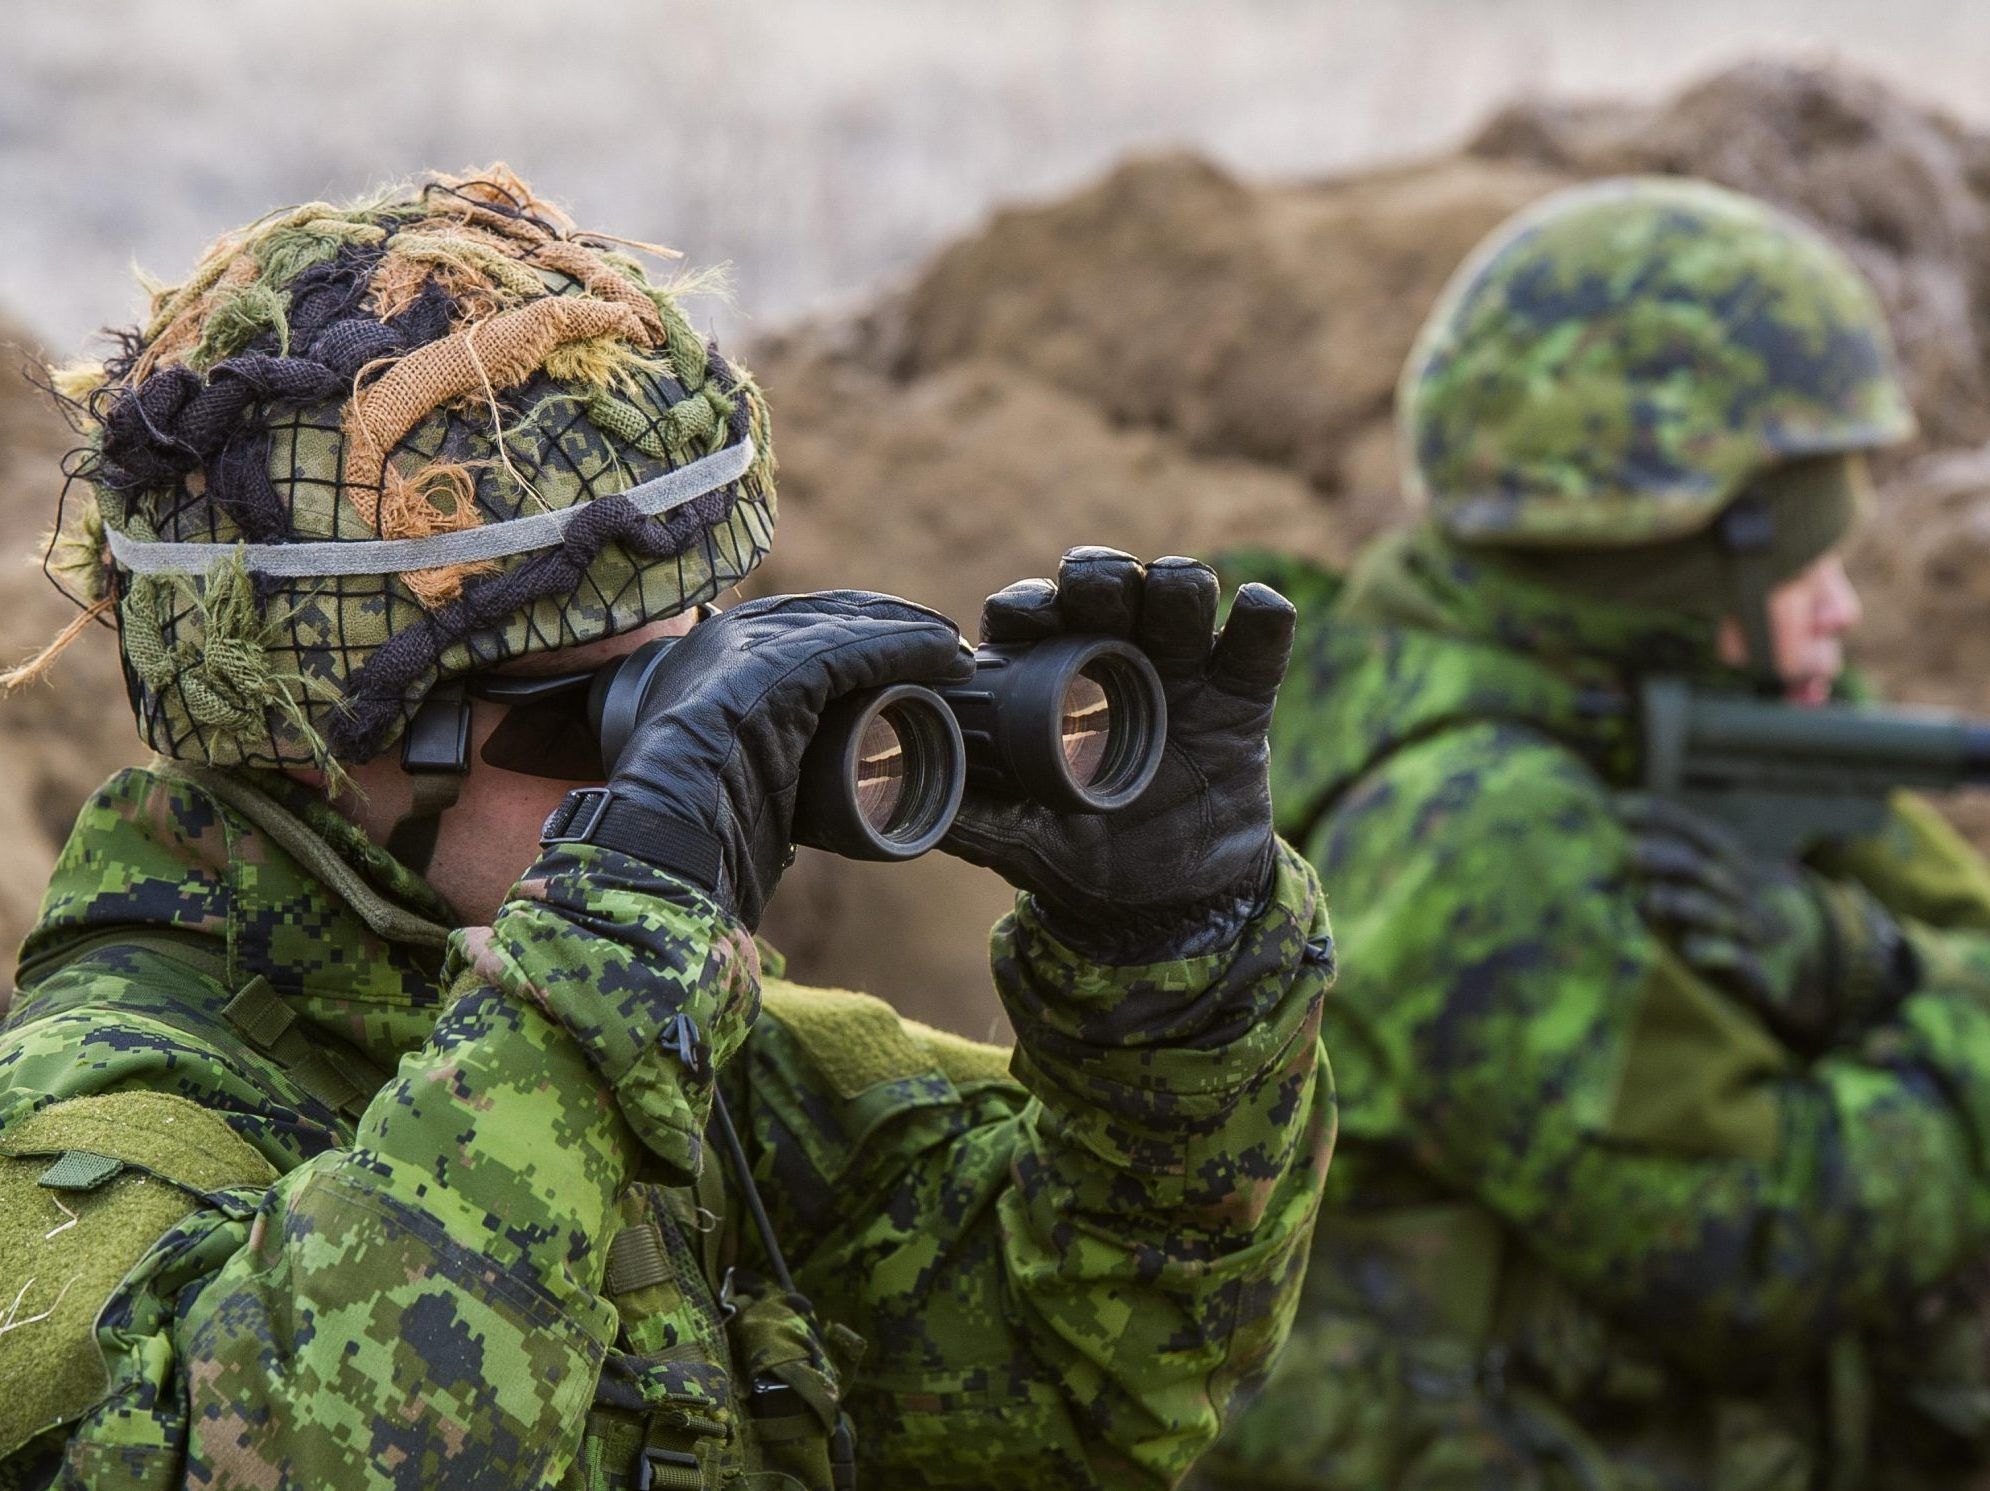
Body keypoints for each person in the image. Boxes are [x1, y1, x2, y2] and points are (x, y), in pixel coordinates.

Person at [0, 169, 1336, 1490]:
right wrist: (613, 940)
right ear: (313, 737)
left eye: (700, 676)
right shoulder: (99, 1134)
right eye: (600, 711)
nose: (670, 768)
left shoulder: (702, 1064)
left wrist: (1173, 970)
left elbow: (1075, 1386)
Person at [1196, 177, 1990, 1490]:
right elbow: (1753, 1255)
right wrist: (1948, 1031)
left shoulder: (1669, 701)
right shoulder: (1472, 830)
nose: (1844, 609)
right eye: (1804, 563)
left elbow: (1948, 928)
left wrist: (1866, 967)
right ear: (1678, 564)